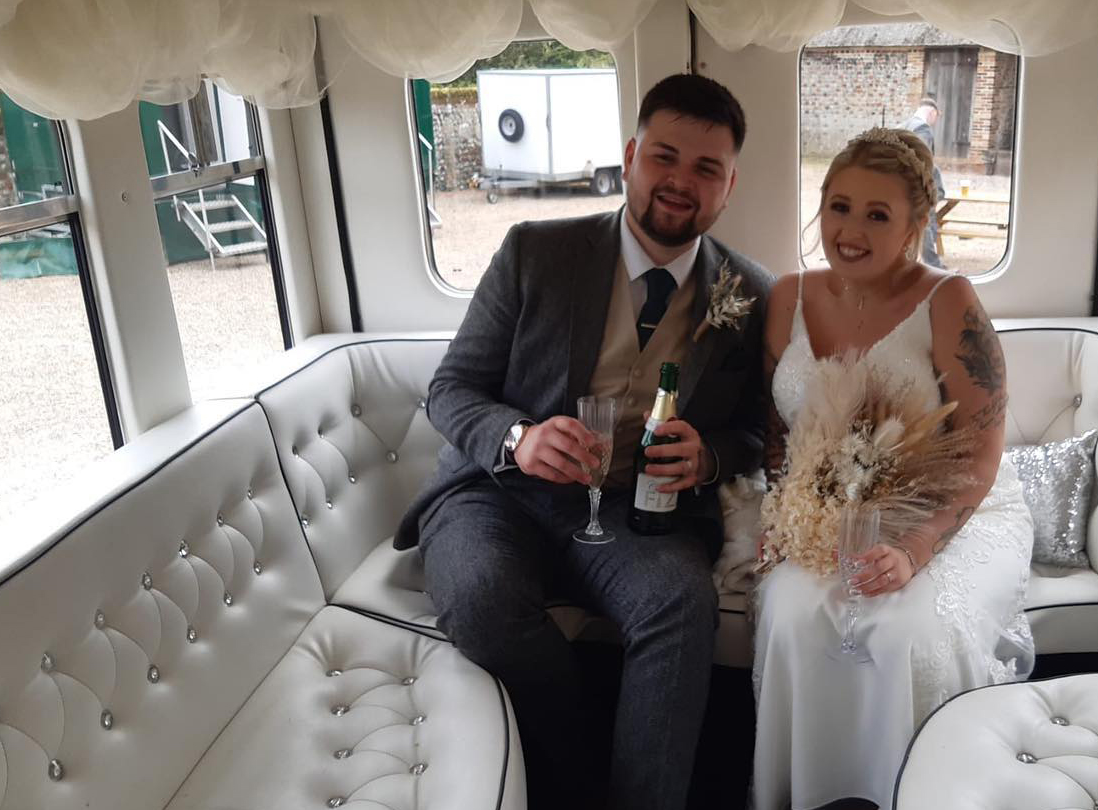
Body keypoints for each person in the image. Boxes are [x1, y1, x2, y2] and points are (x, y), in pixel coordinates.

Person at [392, 73, 771, 810]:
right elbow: (452, 389)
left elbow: (757, 430)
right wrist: (519, 437)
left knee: (679, 603)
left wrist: (712, 455)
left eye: (705, 169)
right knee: (480, 597)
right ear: (630, 156)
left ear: (729, 186)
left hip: (638, 513)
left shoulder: (751, 294)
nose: (679, 182)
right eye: (664, 156)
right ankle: (583, 767)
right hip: (498, 495)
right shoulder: (535, 252)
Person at [750, 127, 1033, 809]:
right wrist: (787, 516)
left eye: (878, 215)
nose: (850, 230)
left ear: (915, 226)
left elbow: (983, 451)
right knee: (791, 614)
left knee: (906, 631)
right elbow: (774, 434)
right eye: (839, 206)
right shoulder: (787, 294)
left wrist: (913, 548)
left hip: (951, 513)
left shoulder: (951, 302)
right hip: (827, 510)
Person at [902, 98, 947, 268]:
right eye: (936, 117)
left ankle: (907, 260)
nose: (935, 121)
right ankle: (934, 265)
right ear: (932, 112)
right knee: (926, 221)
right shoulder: (923, 129)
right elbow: (922, 160)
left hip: (898, 183)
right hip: (917, 183)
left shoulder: (902, 125)